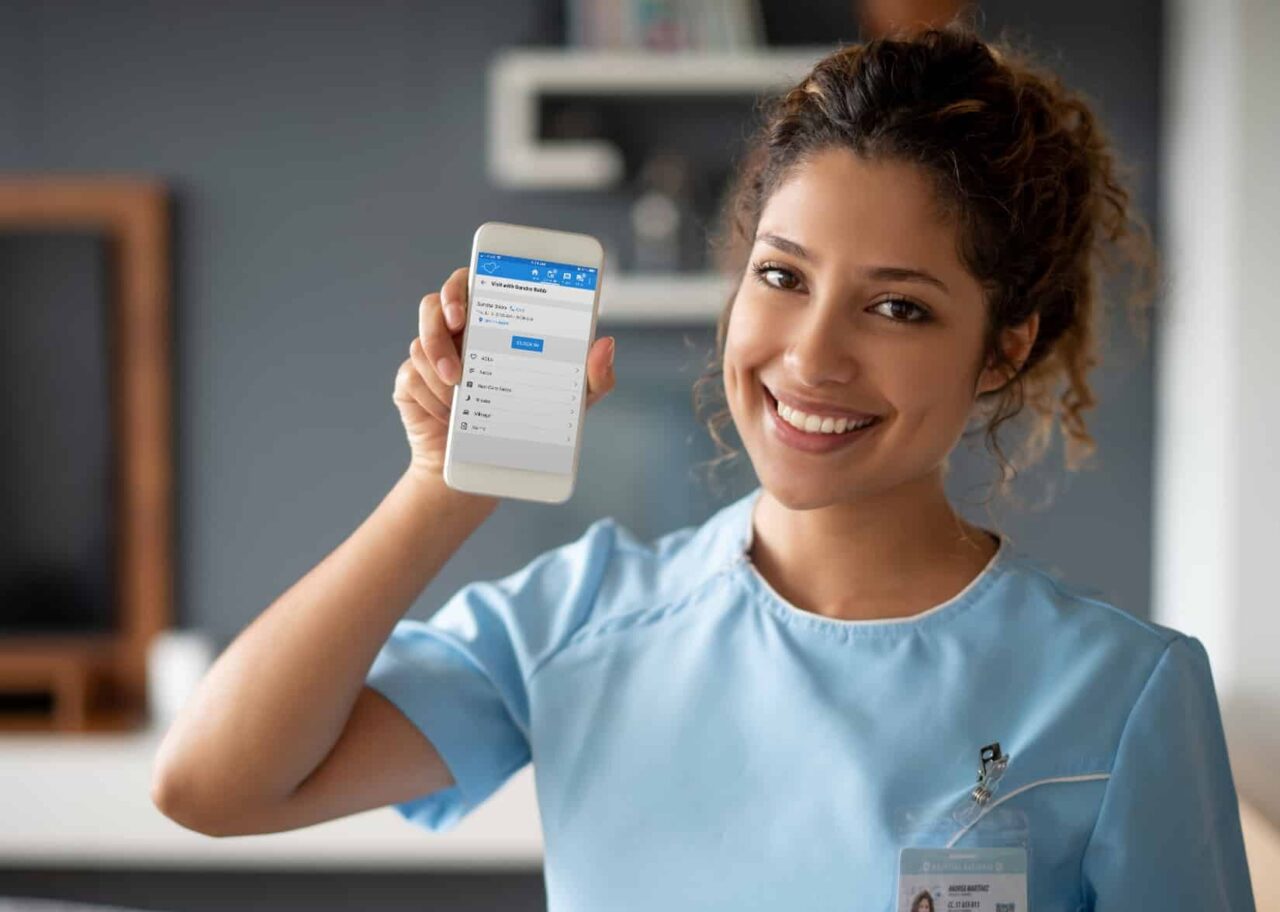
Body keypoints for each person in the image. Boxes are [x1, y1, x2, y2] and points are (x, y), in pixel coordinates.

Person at [150, 19, 1257, 912]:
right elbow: (212, 787)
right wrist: (442, 492)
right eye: (781, 278)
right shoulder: (578, 620)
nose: (812, 355)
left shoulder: (1122, 692)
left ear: (1002, 347)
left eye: (896, 306)